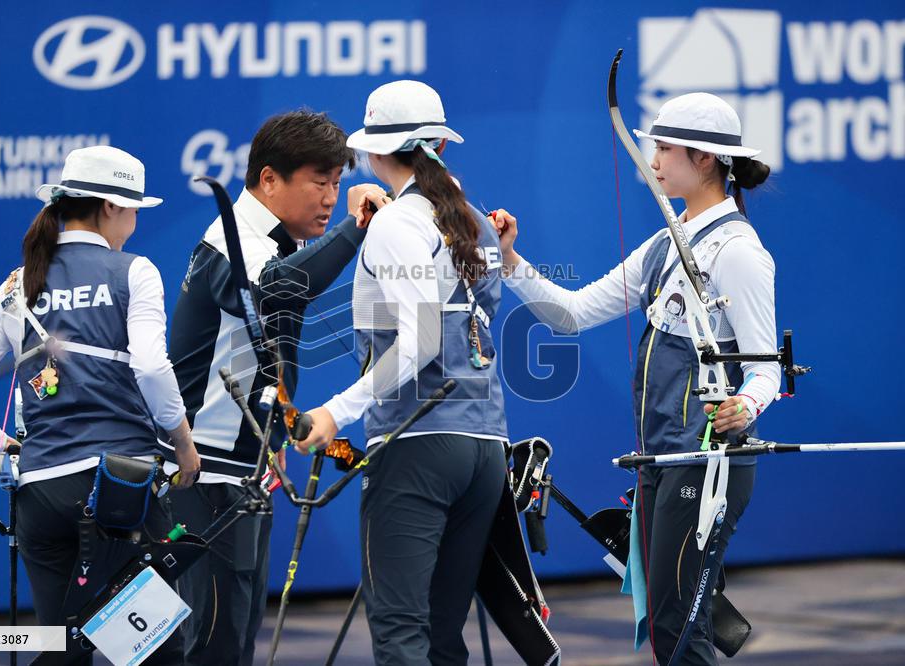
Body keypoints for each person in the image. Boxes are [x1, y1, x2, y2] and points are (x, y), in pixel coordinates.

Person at [495, 92, 778, 664]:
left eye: (664, 147)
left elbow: (764, 369)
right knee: (665, 624)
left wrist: (744, 407)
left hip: (707, 463)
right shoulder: (665, 245)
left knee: (679, 626)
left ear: (703, 160)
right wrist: (510, 261)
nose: (653, 158)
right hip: (661, 460)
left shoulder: (739, 251)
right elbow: (571, 313)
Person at [0, 145, 200, 663]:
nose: (133, 225)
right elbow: (150, 367)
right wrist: (185, 446)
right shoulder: (134, 271)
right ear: (109, 207)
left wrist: (0, 443)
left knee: (62, 650)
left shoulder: (17, 287)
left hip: (40, 495)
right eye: (132, 211)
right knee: (154, 652)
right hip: (118, 488)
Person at [295, 80, 509, 665]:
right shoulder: (471, 218)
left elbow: (419, 341)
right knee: (441, 636)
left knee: (402, 634)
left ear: (371, 152)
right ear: (440, 142)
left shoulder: (399, 225)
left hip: (416, 444)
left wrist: (333, 412)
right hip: (486, 446)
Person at [164, 110, 379, 665]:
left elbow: (258, 372)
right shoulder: (229, 241)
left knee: (233, 644)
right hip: (204, 479)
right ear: (268, 180)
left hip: (240, 481)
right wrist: (354, 230)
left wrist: (318, 437)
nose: (332, 196)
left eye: (337, 182)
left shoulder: (273, 247)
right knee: (212, 649)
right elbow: (280, 291)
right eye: (319, 181)